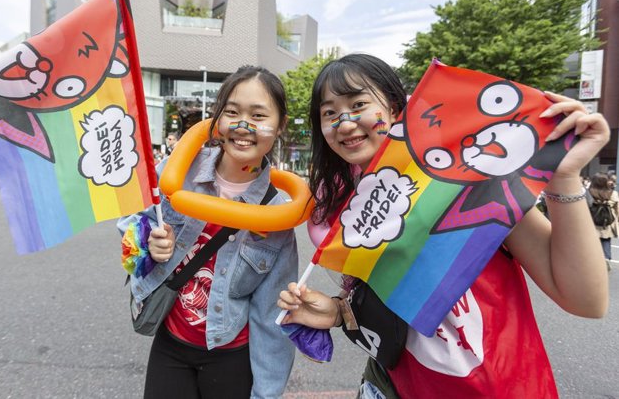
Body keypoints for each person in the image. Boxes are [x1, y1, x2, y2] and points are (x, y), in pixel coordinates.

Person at [277, 53, 609, 398]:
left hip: (505, 386)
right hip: (396, 386)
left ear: (394, 109)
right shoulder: (342, 211)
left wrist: (565, 178)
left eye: (358, 103)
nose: (344, 123)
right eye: (329, 113)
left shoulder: (468, 180)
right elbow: (383, 310)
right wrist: (335, 311)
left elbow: (586, 301)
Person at [118, 66, 297, 399]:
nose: (243, 126)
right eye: (232, 112)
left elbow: (272, 315)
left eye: (258, 115)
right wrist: (146, 241)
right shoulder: (178, 169)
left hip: (230, 353)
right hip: (170, 344)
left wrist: (266, 394)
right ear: (217, 119)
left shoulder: (278, 213)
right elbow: (130, 220)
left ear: (280, 125)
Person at [588, 172, 619, 270]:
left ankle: (594, 260)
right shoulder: (613, 193)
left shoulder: (589, 192)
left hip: (592, 220)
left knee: (593, 241)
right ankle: (606, 258)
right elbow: (617, 208)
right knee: (606, 240)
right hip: (607, 221)